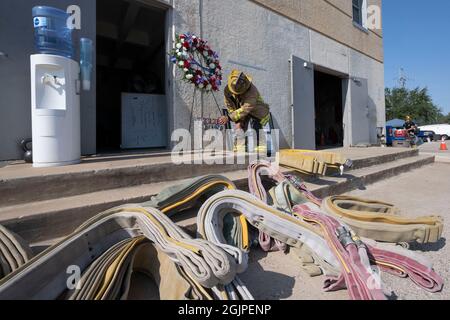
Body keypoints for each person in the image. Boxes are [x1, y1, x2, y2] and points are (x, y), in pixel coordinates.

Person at [218, 70, 271, 152]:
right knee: (240, 126)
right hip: (241, 110)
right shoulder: (227, 90)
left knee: (256, 125)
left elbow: (247, 108)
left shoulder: (252, 91)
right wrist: (236, 119)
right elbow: (229, 104)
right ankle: (240, 148)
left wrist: (229, 117)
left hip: (256, 110)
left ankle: (260, 148)